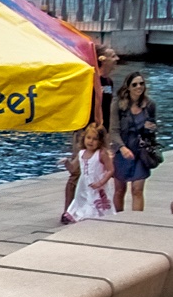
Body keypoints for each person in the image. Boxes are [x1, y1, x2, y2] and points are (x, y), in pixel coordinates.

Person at [108, 70, 161, 213]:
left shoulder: (149, 105)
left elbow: (153, 128)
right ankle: (119, 217)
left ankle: (136, 219)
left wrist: (151, 128)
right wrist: (122, 147)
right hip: (122, 151)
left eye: (141, 84)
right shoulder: (118, 105)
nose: (139, 87)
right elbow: (113, 130)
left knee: (137, 189)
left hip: (141, 151)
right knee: (120, 189)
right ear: (128, 87)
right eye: (135, 84)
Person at [61, 123, 116, 224]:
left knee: (97, 205)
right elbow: (73, 169)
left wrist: (101, 182)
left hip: (98, 186)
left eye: (95, 139)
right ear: (84, 138)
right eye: (88, 138)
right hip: (84, 186)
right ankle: (85, 219)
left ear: (100, 141)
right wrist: (67, 163)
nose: (91, 141)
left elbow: (110, 170)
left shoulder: (101, 154)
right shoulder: (81, 153)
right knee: (83, 203)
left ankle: (96, 221)